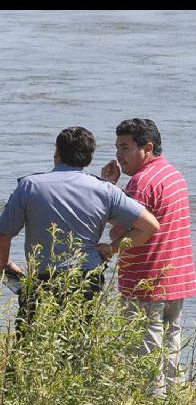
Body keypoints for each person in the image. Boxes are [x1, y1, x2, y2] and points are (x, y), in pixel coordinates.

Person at [0, 126, 159, 340]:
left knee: (30, 348)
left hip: (41, 282)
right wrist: (112, 248)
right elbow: (149, 226)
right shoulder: (105, 190)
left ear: (57, 152)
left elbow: (3, 234)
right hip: (85, 283)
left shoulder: (29, 186)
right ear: (88, 159)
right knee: (76, 350)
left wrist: (5, 268)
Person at [101, 118, 196, 396]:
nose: (119, 155)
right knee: (170, 342)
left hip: (146, 279)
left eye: (126, 148)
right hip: (176, 276)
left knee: (144, 347)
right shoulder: (173, 174)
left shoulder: (141, 183)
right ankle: (172, 402)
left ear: (148, 148)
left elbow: (122, 227)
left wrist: (107, 189)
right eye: (117, 147)